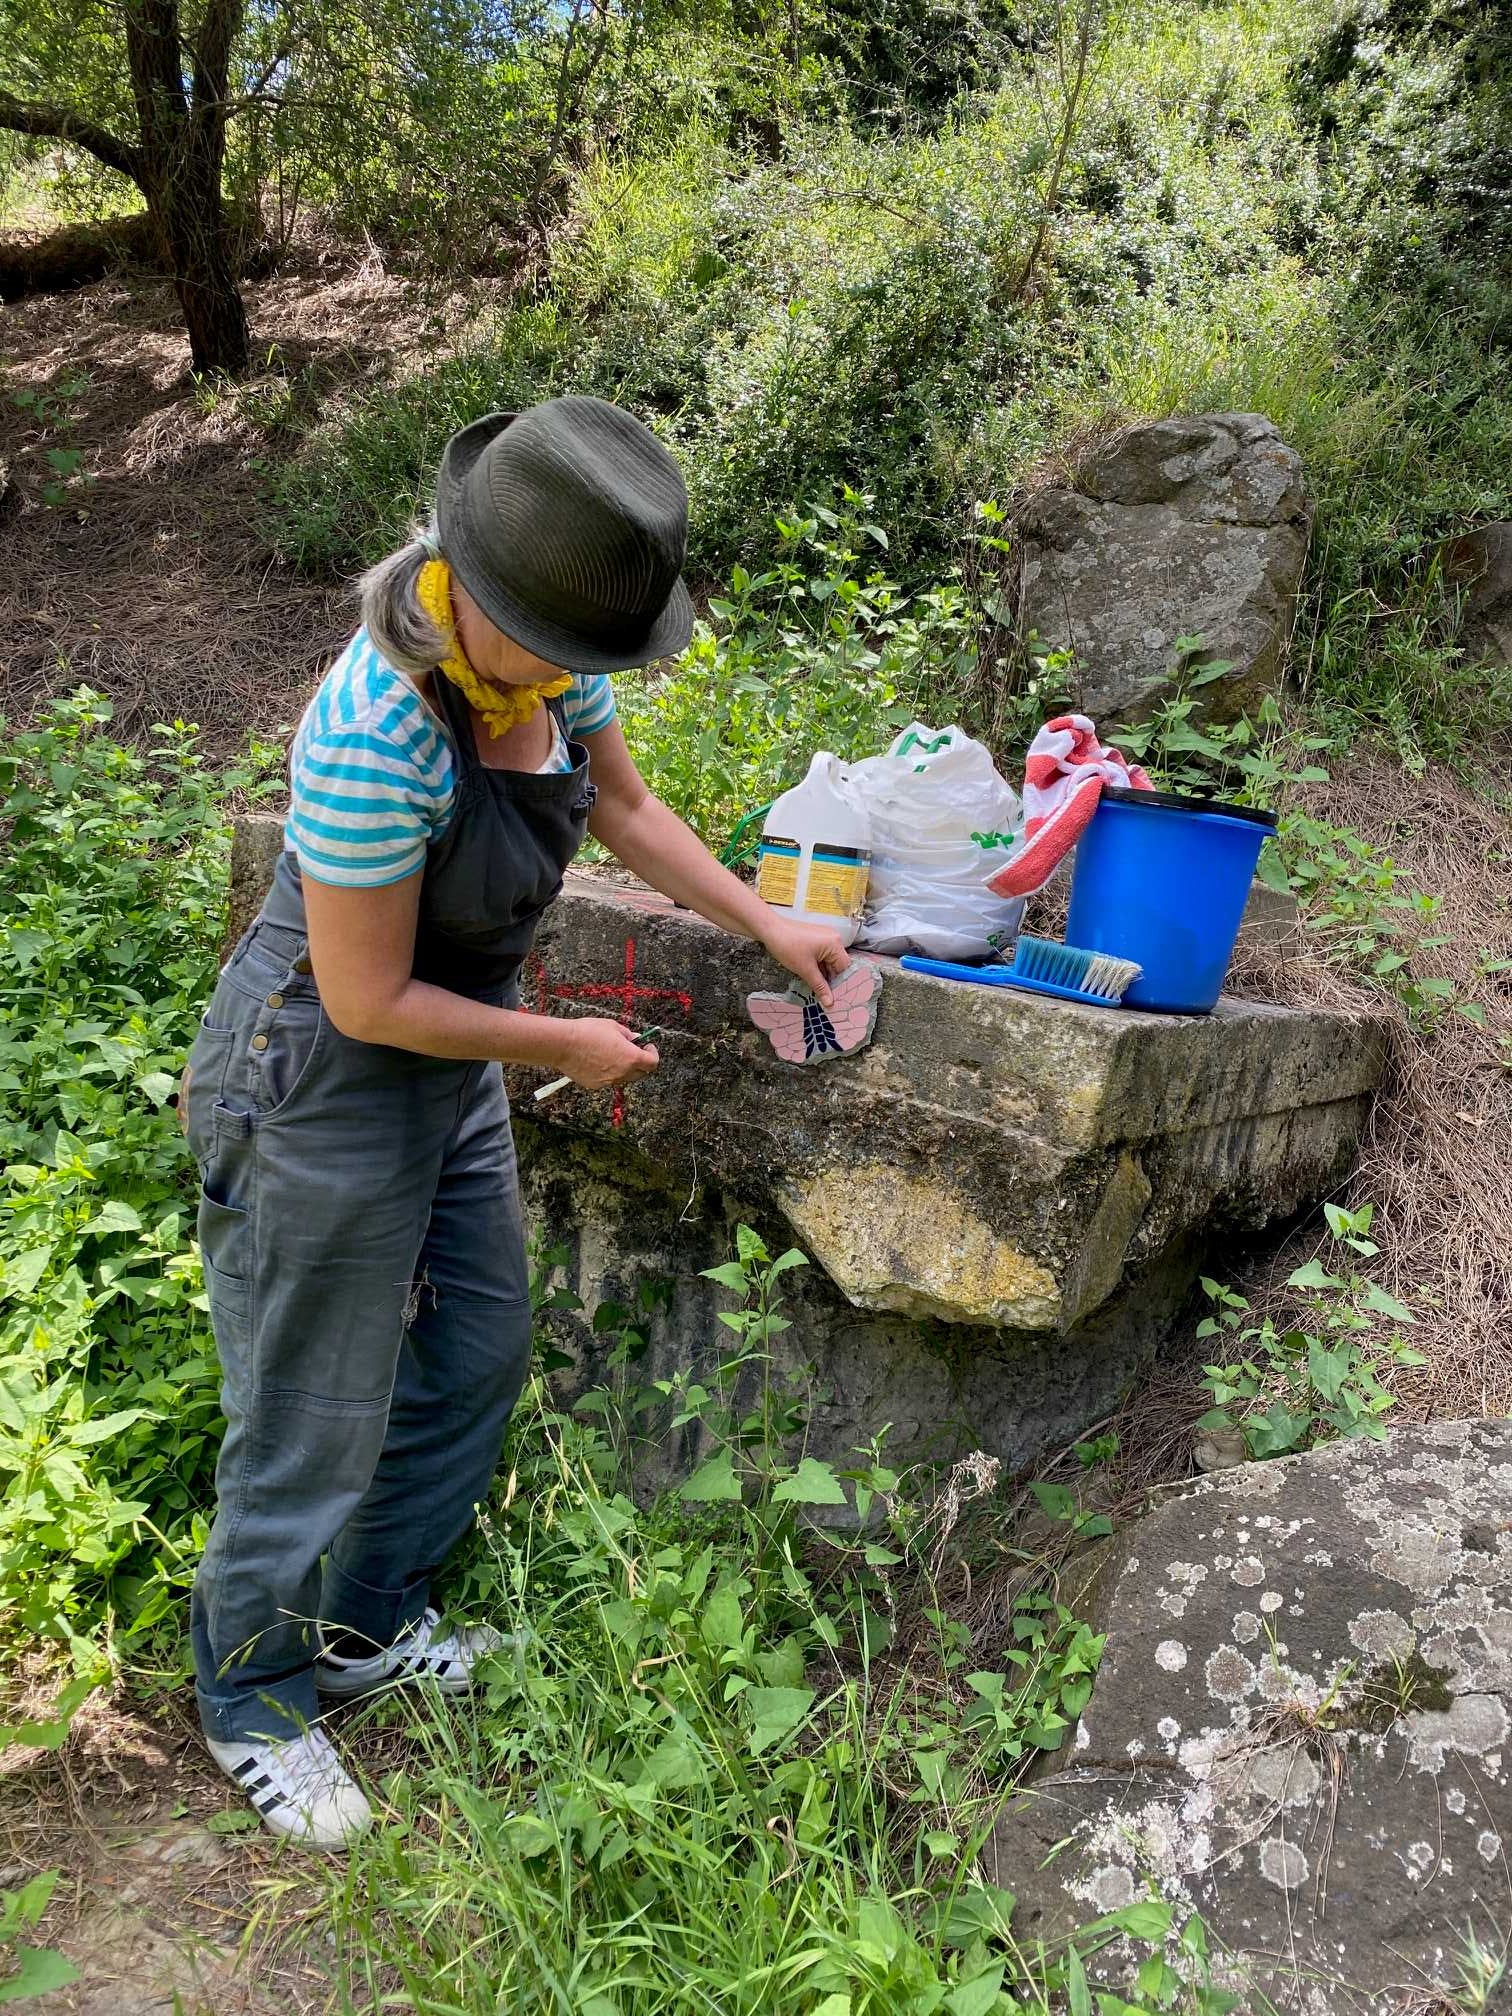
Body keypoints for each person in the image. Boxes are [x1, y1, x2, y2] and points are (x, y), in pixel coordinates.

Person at [181, 396, 848, 1848]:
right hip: (322, 1070)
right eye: (558, 649)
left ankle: (363, 1632)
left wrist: (767, 921)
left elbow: (624, 806)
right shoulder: (373, 727)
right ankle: (253, 1699)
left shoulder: (551, 658)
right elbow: (365, 999)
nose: (580, 680)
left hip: (444, 1060)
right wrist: (563, 1043)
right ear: (467, 589)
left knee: (474, 1356)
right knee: (309, 1406)